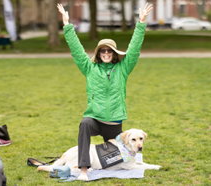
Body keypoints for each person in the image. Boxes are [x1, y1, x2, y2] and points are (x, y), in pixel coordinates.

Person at [57, 3, 153, 181]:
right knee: (84, 124)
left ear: (114, 52)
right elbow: (77, 51)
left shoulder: (123, 68)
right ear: (98, 53)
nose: (106, 53)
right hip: (95, 118)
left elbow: (134, 50)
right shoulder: (89, 68)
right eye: (103, 50)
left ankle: (93, 164)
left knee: (115, 159)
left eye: (109, 50)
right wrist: (67, 26)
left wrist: (140, 24)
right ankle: (83, 170)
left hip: (114, 123)